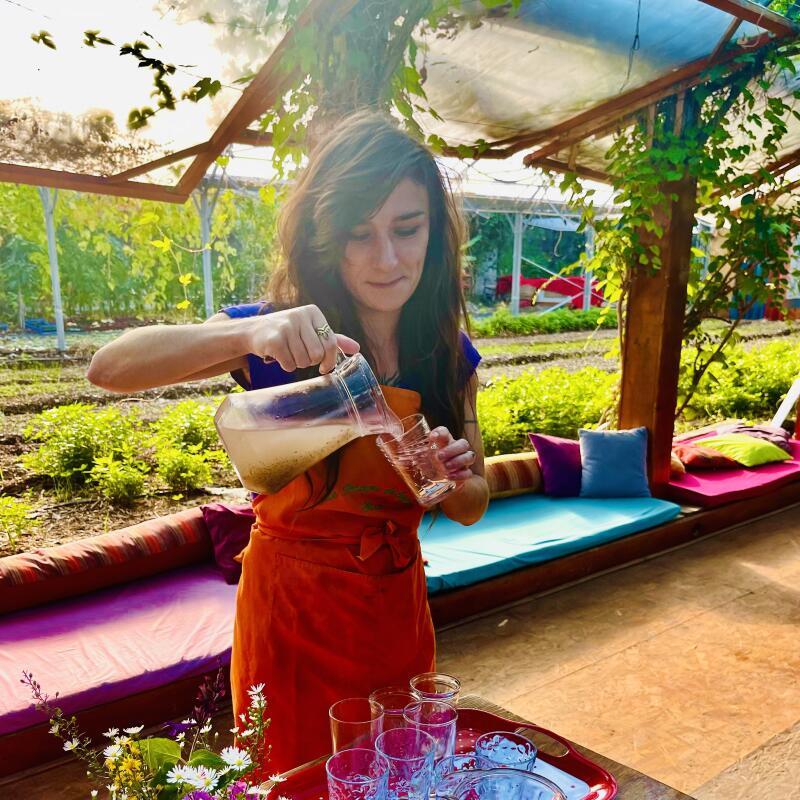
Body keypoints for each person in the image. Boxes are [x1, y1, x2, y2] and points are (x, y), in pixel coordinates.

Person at [87, 111, 489, 774]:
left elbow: (470, 501)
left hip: (395, 610)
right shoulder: (286, 336)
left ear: (435, 235)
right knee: (293, 776)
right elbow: (110, 367)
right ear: (327, 240)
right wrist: (247, 335)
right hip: (292, 618)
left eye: (407, 228)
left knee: (393, 773)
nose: (386, 258)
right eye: (359, 235)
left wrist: (455, 474)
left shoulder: (450, 356)